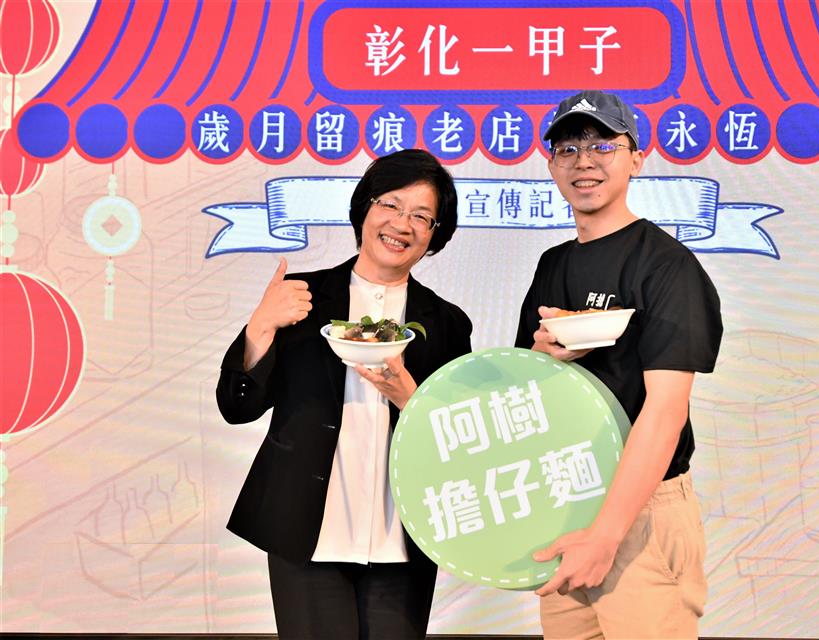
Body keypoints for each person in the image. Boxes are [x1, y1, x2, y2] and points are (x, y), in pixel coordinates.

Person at [217, 149, 472, 639]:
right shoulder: (301, 298)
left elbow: (457, 440)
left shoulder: (447, 324)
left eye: (422, 216)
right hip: (307, 533)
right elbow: (237, 406)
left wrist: (410, 399)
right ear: (364, 209)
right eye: (390, 205)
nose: (402, 224)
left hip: (402, 538)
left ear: (434, 235)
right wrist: (261, 326)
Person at [515, 90, 722, 639]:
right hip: (569, 499)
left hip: (642, 509)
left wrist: (606, 535)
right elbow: (526, 387)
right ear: (551, 166)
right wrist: (542, 355)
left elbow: (666, 410)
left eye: (603, 145)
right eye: (568, 148)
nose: (584, 160)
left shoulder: (666, 265)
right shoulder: (553, 264)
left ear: (636, 159)